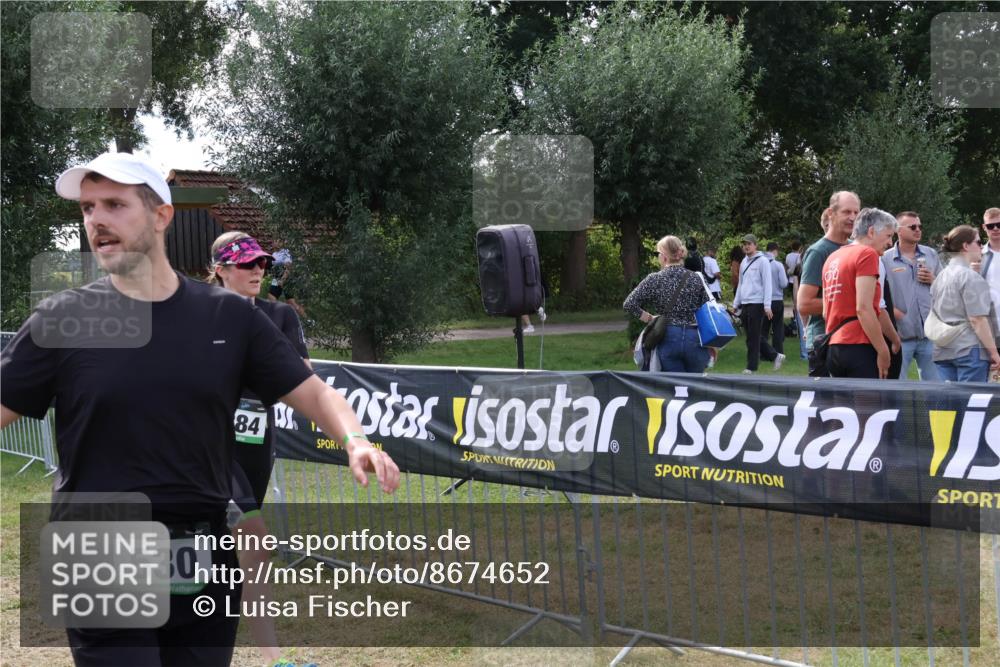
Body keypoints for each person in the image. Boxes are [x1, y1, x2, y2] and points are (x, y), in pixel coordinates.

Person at [0, 152, 400, 667]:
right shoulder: (64, 318)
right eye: (87, 208)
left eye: (115, 205)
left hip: (202, 544)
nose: (96, 220)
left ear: (161, 215)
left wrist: (355, 440)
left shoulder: (230, 317)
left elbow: (315, 392)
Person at [207, 231, 312, 667]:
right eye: (246, 263)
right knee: (253, 542)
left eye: (261, 263)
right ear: (220, 269)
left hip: (256, 443)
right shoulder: (200, 316)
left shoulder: (279, 317)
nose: (256, 271)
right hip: (210, 443)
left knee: (232, 559)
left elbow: (303, 376)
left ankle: (270, 659)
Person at [821, 208, 899, 379]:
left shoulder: (833, 257)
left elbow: (826, 311)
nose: (890, 243)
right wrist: (883, 350)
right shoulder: (867, 254)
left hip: (834, 346)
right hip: (860, 345)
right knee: (870, 405)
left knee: (841, 406)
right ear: (871, 232)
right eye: (888, 236)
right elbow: (864, 308)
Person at [623, 235, 712, 373]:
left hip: (668, 337)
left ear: (664, 257)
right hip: (695, 337)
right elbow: (708, 309)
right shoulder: (697, 278)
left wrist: (650, 318)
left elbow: (629, 304)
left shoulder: (654, 279)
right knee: (695, 387)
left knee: (673, 388)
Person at [798, 192, 860, 376]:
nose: (853, 218)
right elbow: (804, 304)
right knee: (829, 405)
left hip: (852, 342)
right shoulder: (818, 252)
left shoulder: (856, 248)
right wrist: (853, 305)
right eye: (847, 212)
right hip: (824, 342)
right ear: (831, 213)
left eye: (856, 212)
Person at [929, 225, 1000, 382]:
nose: (981, 246)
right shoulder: (972, 277)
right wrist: (994, 352)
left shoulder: (940, 276)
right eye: (978, 242)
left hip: (943, 349)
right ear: (966, 246)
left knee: (948, 405)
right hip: (969, 350)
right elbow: (978, 319)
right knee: (970, 404)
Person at [881, 212, 941, 380]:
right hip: (900, 335)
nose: (918, 230)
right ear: (898, 230)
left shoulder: (931, 254)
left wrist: (934, 280)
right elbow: (877, 295)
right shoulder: (885, 259)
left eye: (920, 226)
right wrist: (894, 313)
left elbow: (946, 288)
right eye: (913, 227)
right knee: (897, 390)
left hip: (930, 336)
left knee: (935, 391)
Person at [733, 234, 781, 374]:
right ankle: (775, 355)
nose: (746, 246)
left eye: (749, 244)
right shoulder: (743, 262)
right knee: (751, 336)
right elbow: (741, 284)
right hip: (746, 302)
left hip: (758, 303)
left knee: (753, 338)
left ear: (755, 245)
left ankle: (751, 367)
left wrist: (767, 305)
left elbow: (767, 284)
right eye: (744, 244)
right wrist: (736, 303)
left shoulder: (763, 261)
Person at [267, 248, 307, 320]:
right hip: (276, 279)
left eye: (277, 240)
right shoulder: (274, 254)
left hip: (286, 280)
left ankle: (307, 320)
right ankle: (279, 319)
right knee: (271, 298)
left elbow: (288, 268)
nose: (274, 242)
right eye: (274, 240)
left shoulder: (285, 253)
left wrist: (283, 280)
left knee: (291, 302)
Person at [978, 207, 1000, 334]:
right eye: (991, 226)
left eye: (999, 225)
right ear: (984, 227)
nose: (996, 228)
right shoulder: (977, 256)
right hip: (990, 326)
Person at [785, 240, 808, 359]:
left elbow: (795, 287)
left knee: (803, 329)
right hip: (811, 301)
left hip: (800, 300)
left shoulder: (798, 269)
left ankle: (804, 354)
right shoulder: (815, 268)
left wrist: (795, 303)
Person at [765, 242, 788, 356]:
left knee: (764, 328)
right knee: (777, 328)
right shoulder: (778, 265)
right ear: (775, 251)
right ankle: (778, 352)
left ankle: (763, 353)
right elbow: (784, 283)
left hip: (764, 300)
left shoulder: (760, 263)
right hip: (777, 299)